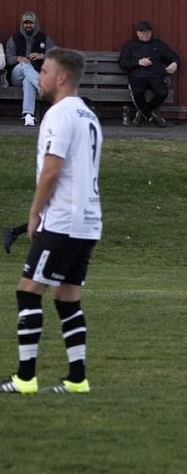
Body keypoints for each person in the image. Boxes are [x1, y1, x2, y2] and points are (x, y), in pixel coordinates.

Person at [0, 48, 103, 395]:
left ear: (61, 77)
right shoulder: (88, 114)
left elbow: (52, 170)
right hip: (88, 220)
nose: (39, 77)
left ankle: (25, 378)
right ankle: (77, 379)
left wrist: (34, 213)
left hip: (63, 219)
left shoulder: (59, 114)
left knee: (28, 290)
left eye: (44, 71)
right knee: (66, 296)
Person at [118, 21, 179, 128]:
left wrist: (174, 64)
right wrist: (138, 62)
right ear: (138, 33)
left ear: (151, 32)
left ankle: (142, 113)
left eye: (148, 32)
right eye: (143, 32)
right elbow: (122, 63)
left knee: (162, 92)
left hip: (155, 76)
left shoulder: (158, 45)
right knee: (137, 92)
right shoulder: (131, 45)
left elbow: (174, 57)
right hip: (137, 76)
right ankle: (151, 117)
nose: (146, 34)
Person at [5, 12, 56, 126]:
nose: (28, 25)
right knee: (25, 65)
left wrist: (42, 56)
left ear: (35, 24)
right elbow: (8, 59)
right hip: (16, 76)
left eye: (31, 23)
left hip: (33, 75)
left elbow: (55, 55)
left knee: (28, 80)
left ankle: (28, 115)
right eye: (26, 23)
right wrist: (18, 58)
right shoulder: (14, 38)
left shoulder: (44, 38)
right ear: (22, 24)